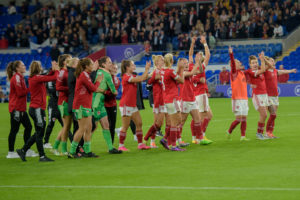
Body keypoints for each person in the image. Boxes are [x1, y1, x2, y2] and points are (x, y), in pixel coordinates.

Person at [17, 61, 59, 162]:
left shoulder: (35, 78)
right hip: (37, 109)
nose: (41, 67)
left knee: (39, 132)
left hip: (37, 109)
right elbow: (53, 78)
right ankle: (42, 156)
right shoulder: (37, 78)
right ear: (37, 68)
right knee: (40, 132)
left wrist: (52, 70)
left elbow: (48, 75)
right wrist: (56, 70)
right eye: (40, 66)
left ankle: (23, 150)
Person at [68, 58, 103, 158]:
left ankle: (87, 151)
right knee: (82, 129)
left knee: (89, 128)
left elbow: (92, 88)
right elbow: (93, 88)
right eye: (91, 64)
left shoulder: (85, 75)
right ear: (86, 66)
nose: (92, 65)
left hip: (86, 105)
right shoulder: (83, 75)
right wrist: (99, 81)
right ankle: (72, 152)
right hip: (81, 106)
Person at [118, 60, 151, 151]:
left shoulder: (132, 76)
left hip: (132, 105)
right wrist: (146, 69)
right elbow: (141, 79)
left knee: (139, 123)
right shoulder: (126, 77)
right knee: (125, 126)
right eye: (132, 65)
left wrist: (153, 73)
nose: (134, 66)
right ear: (127, 67)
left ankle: (140, 144)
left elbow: (144, 77)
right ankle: (121, 146)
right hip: (126, 105)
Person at [91, 56, 121, 154]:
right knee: (92, 128)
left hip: (99, 103)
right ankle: (82, 148)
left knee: (106, 125)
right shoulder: (107, 74)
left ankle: (111, 148)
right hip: (96, 103)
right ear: (103, 64)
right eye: (109, 62)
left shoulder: (97, 72)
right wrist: (115, 91)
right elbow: (113, 90)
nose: (111, 64)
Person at [6, 61, 36, 159]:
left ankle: (26, 150)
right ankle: (10, 152)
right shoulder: (17, 78)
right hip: (16, 109)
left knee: (28, 127)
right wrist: (30, 88)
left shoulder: (20, 77)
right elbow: (20, 93)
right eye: (23, 65)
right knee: (14, 130)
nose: (25, 66)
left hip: (20, 109)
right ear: (17, 68)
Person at [264, 57, 296, 138]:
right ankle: (267, 132)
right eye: (271, 61)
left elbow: (283, 71)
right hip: (268, 96)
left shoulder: (275, 71)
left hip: (275, 96)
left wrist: (291, 71)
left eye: (273, 61)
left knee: (274, 115)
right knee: (273, 114)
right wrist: (263, 58)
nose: (273, 62)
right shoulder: (265, 71)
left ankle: (270, 133)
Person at [159, 53, 185, 151]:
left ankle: (166, 139)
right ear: (171, 61)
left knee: (175, 121)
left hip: (167, 99)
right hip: (173, 99)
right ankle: (173, 145)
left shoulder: (163, 71)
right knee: (177, 121)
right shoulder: (170, 71)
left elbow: (173, 81)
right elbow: (181, 80)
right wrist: (181, 69)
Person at [191, 36, 213, 144]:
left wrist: (204, 43)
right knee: (201, 116)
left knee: (208, 115)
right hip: (200, 94)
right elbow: (207, 55)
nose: (198, 56)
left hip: (197, 94)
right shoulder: (198, 67)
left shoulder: (193, 67)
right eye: (197, 55)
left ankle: (196, 136)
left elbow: (207, 55)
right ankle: (199, 137)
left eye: (200, 55)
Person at [143, 55, 167, 148]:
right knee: (157, 122)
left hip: (163, 99)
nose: (163, 61)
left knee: (160, 123)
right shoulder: (156, 71)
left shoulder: (162, 71)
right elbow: (149, 82)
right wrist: (154, 78)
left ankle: (151, 140)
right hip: (157, 99)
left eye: (163, 60)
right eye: (161, 60)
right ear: (157, 62)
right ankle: (148, 140)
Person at [226, 47, 250, 141]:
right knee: (238, 119)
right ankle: (229, 131)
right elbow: (232, 64)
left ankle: (243, 136)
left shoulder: (242, 73)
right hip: (237, 99)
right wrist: (231, 54)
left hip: (244, 98)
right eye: (238, 62)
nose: (240, 63)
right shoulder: (234, 73)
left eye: (240, 62)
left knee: (244, 118)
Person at [52, 54, 72, 155]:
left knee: (67, 126)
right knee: (66, 126)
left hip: (68, 101)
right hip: (63, 101)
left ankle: (55, 147)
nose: (71, 60)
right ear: (64, 62)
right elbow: (58, 87)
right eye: (69, 59)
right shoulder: (62, 73)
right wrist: (70, 89)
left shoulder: (68, 71)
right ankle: (63, 149)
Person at [245, 53, 268, 140]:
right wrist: (262, 59)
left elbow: (267, 68)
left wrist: (263, 60)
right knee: (264, 114)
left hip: (264, 94)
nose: (255, 64)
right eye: (253, 63)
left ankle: (261, 133)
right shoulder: (252, 72)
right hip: (257, 95)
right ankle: (259, 133)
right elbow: (262, 70)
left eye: (256, 62)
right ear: (250, 65)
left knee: (264, 116)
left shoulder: (259, 69)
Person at [43, 77, 63, 148]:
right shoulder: (51, 79)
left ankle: (73, 141)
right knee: (51, 124)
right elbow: (52, 91)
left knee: (65, 125)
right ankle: (45, 142)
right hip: (53, 105)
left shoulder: (58, 77)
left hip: (60, 105)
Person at [104, 63, 120, 144]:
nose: (115, 69)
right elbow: (112, 92)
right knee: (105, 125)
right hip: (104, 104)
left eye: (116, 68)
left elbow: (113, 92)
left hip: (112, 104)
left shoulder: (116, 79)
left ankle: (111, 145)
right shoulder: (106, 77)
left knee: (112, 125)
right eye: (113, 68)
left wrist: (104, 92)